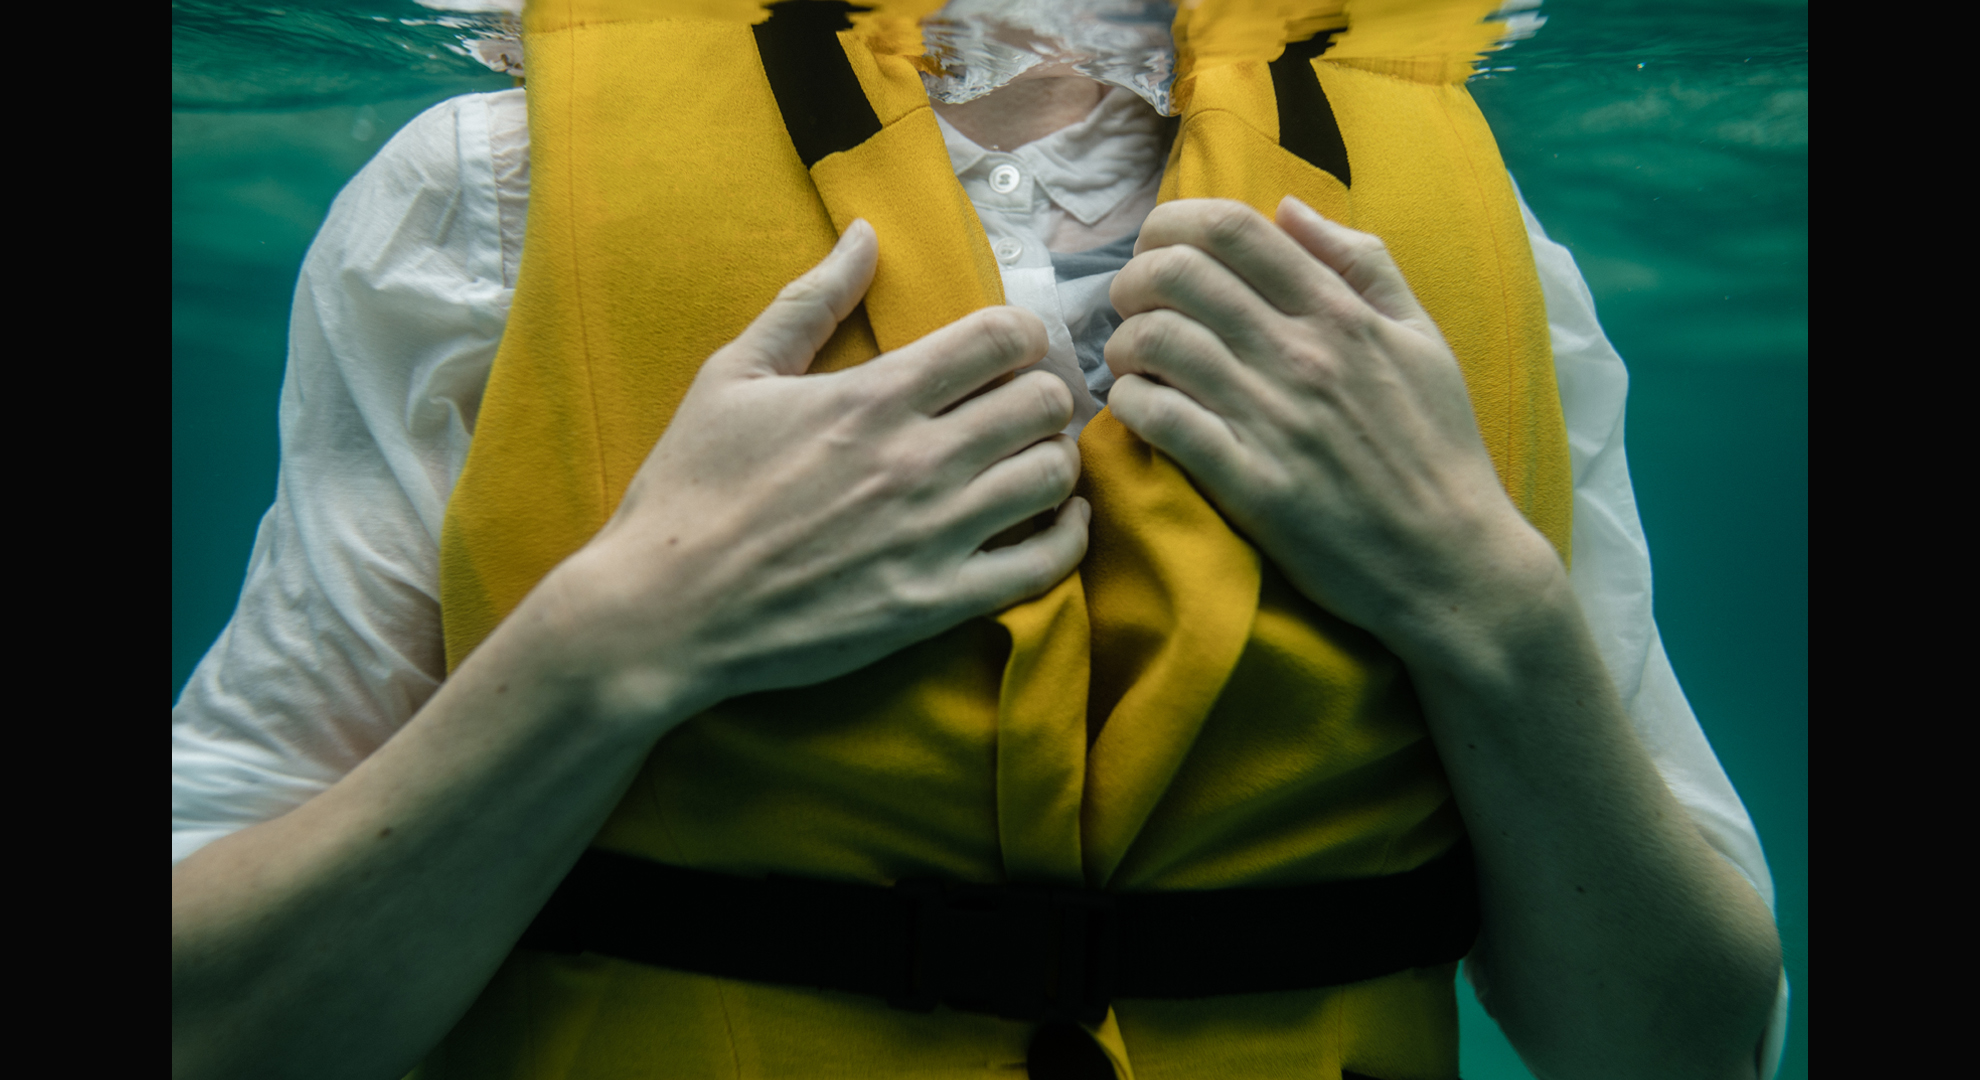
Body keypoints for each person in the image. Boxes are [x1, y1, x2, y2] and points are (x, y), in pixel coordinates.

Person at [172, 3, 1786, 1078]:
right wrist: (620, 643)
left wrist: (1481, 602)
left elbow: (1694, 1048)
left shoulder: (1482, 248)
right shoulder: (477, 199)